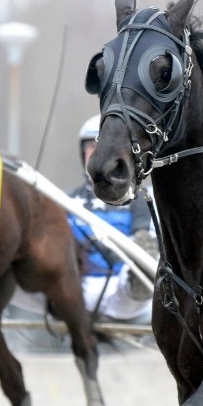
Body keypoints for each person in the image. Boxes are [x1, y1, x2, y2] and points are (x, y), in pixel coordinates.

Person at [68, 114, 156, 322]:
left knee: (145, 252)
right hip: (76, 287)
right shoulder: (65, 200)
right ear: (82, 154)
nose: (99, 154)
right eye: (92, 146)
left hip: (123, 290)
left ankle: (140, 280)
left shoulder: (144, 199)